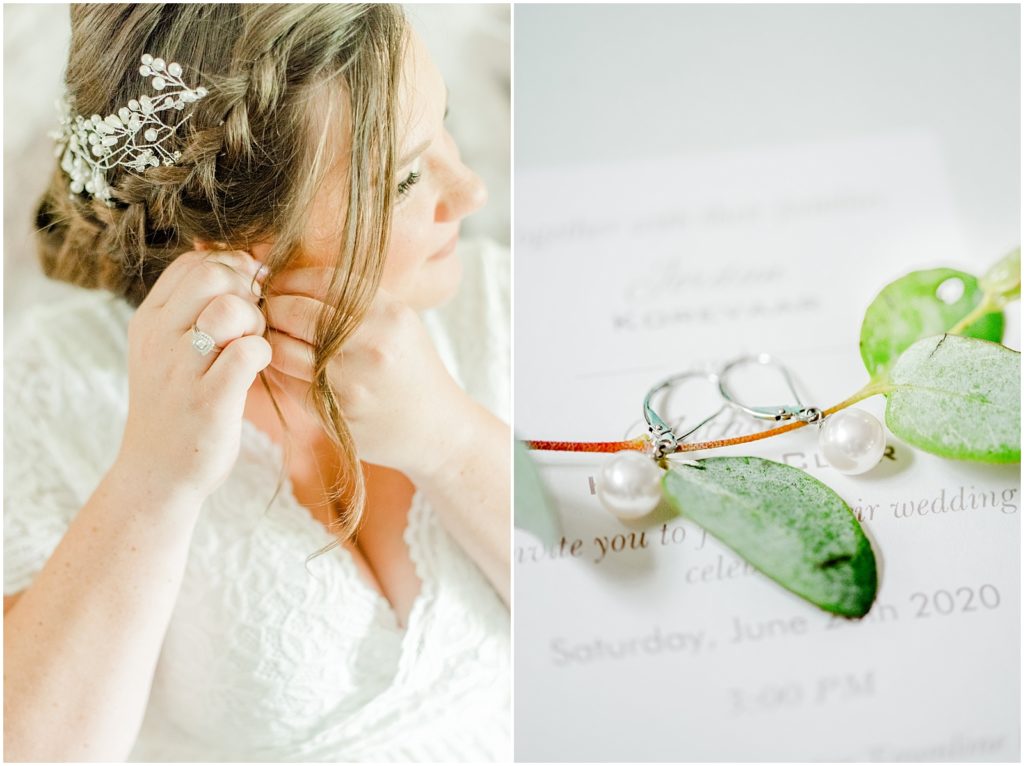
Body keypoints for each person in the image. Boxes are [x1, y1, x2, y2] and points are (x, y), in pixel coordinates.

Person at [3, 4, 510, 761]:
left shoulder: (503, 302)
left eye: (446, 121)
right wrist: (154, 478)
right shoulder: (47, 390)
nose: (469, 190)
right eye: (405, 178)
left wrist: (453, 440)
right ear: (232, 233)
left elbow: (635, 603)